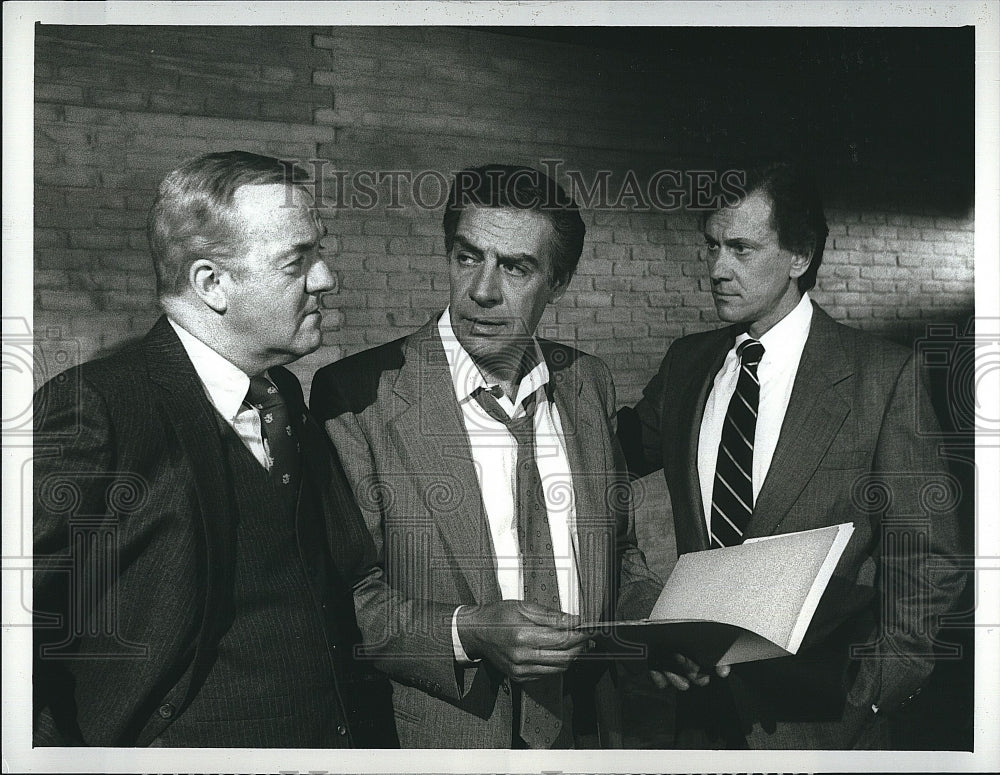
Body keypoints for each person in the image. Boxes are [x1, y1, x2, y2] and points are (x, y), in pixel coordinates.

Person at [33, 151, 396, 748]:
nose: (326, 278)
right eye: (296, 261)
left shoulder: (284, 396)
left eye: (319, 251)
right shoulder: (96, 409)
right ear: (212, 284)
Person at [310, 164, 662, 748]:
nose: (481, 290)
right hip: (449, 740)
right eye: (467, 257)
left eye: (516, 267)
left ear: (560, 280)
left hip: (589, 731)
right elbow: (347, 599)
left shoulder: (587, 384)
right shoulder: (357, 397)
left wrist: (657, 626)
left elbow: (617, 551)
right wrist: (466, 631)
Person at [618, 161, 967, 749]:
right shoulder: (687, 365)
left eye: (742, 249)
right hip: (701, 716)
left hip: (830, 719)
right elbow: (610, 456)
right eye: (711, 247)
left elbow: (929, 560)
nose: (718, 269)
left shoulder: (883, 378)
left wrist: (876, 691)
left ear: (800, 256)